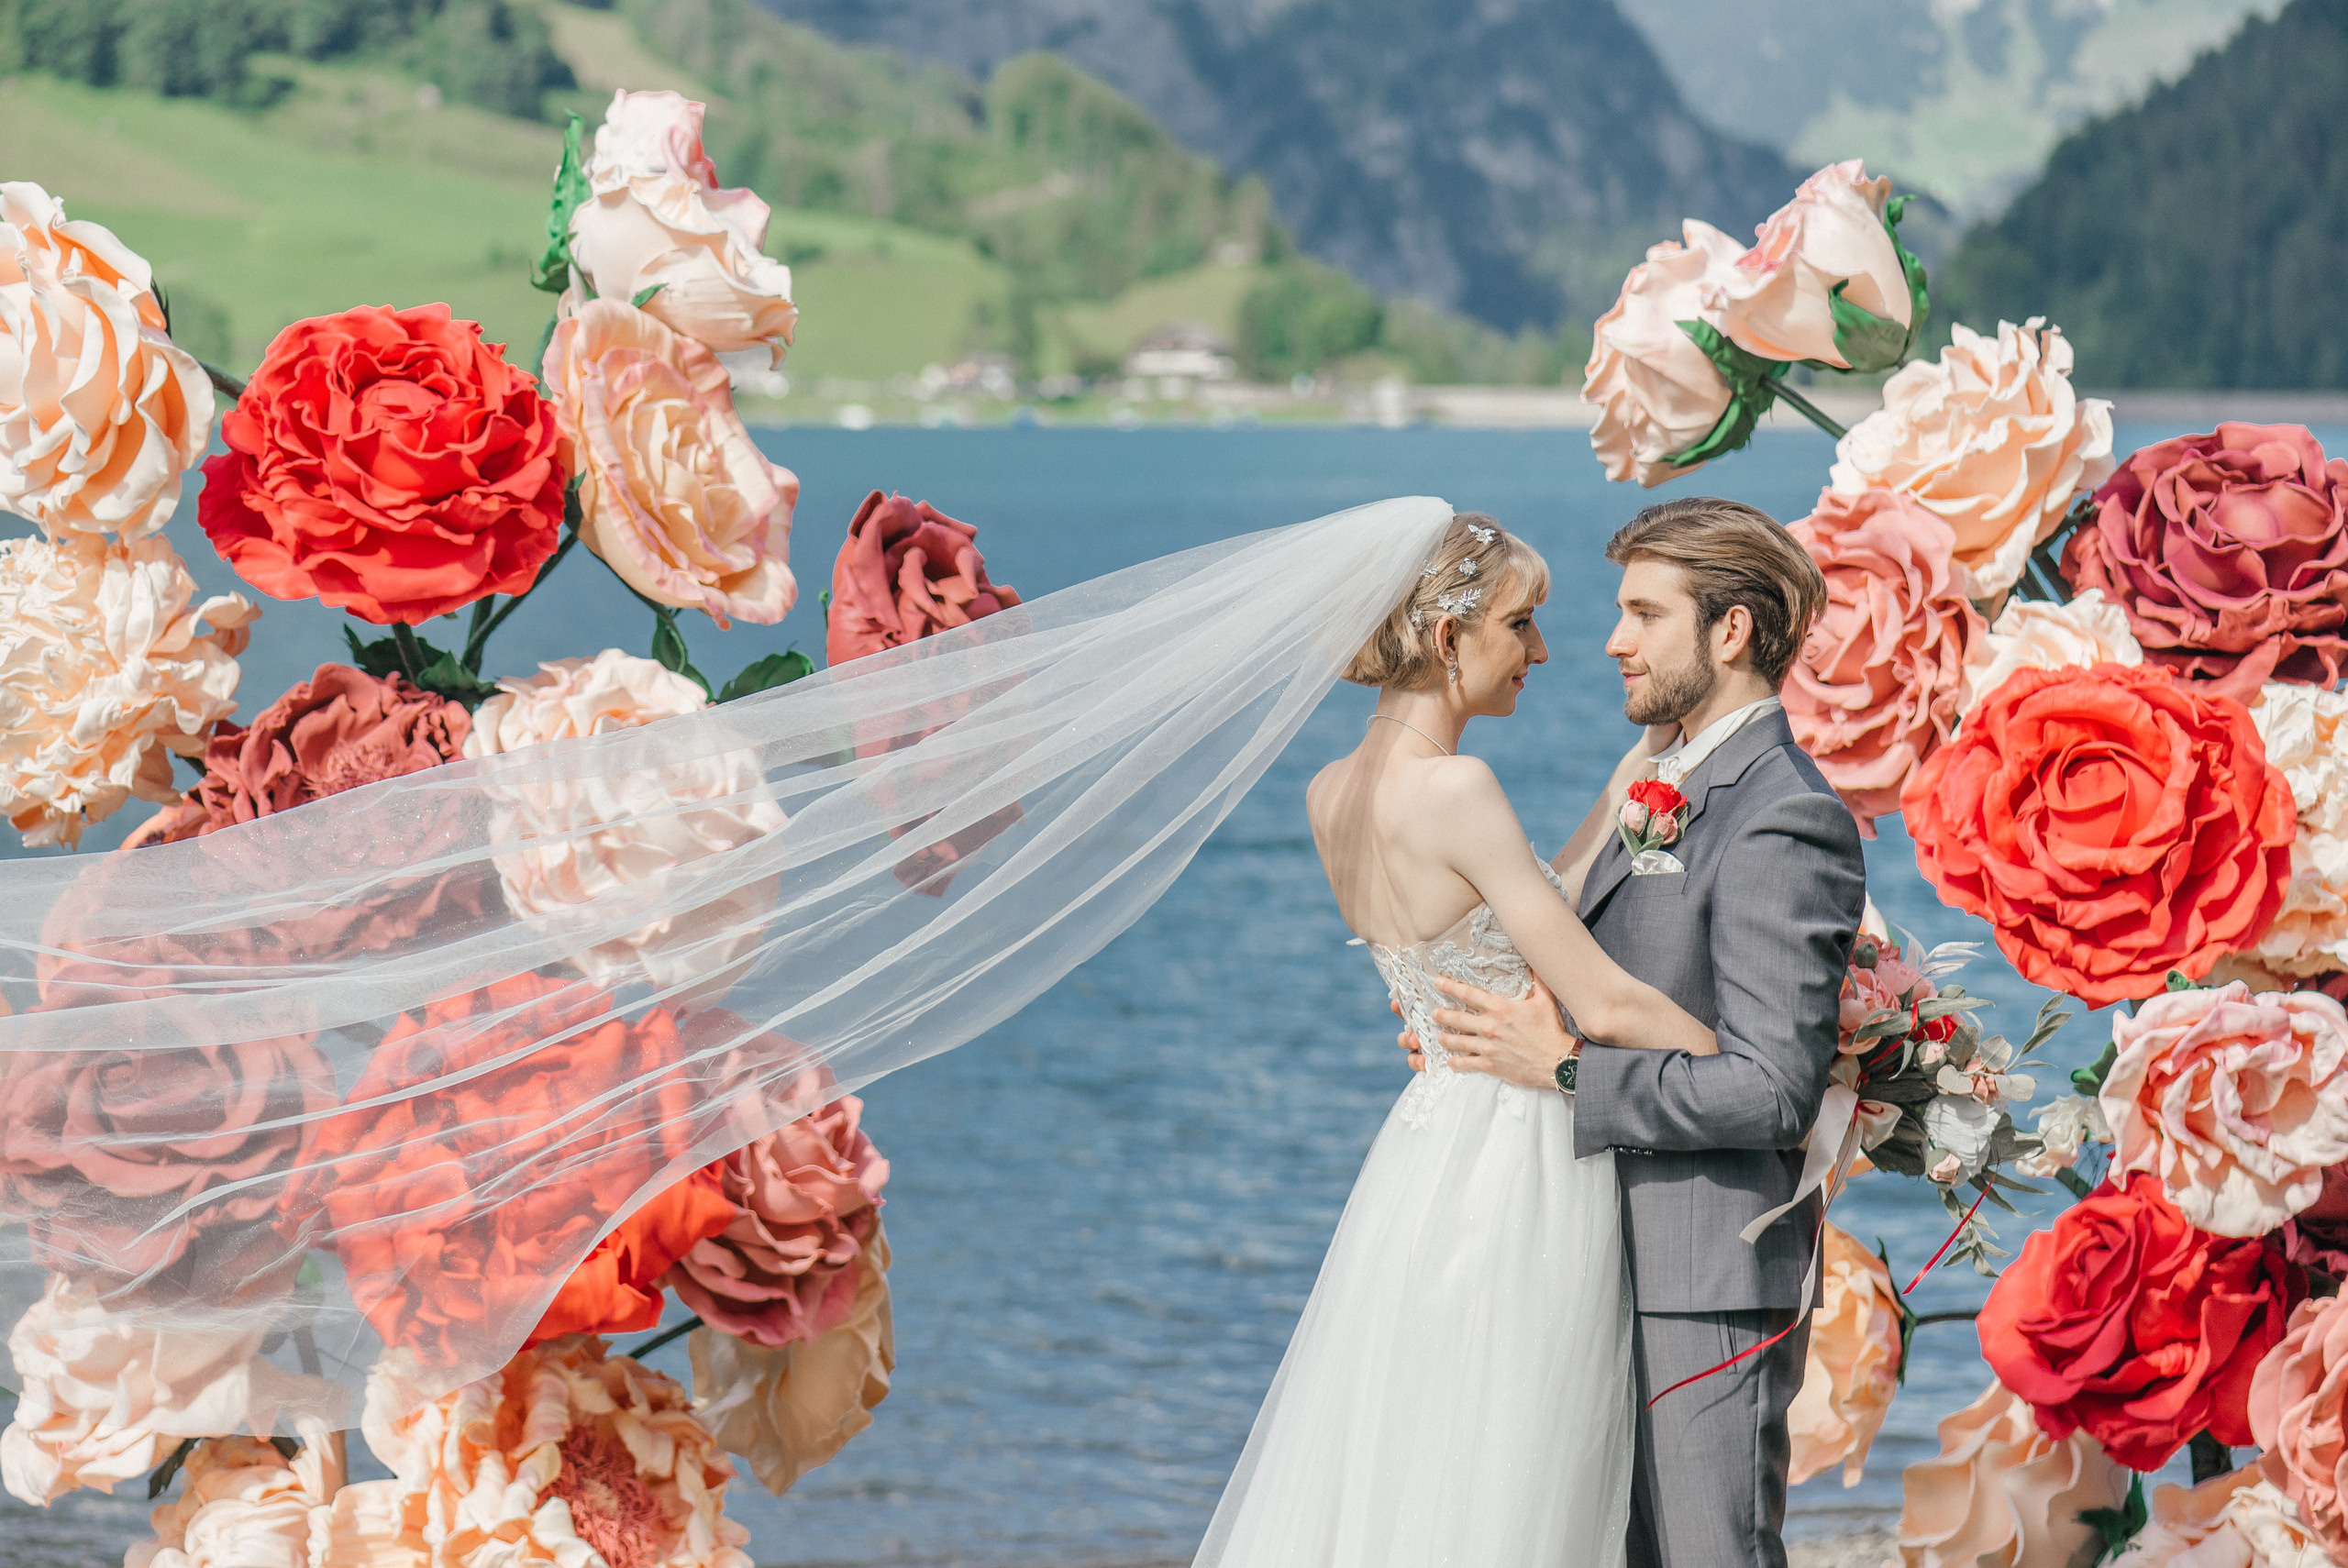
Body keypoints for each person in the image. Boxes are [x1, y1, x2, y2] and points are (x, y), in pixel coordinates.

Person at [1193, 512, 1728, 1568]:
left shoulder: (1329, 794)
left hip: (1424, 1143)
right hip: (1518, 1145)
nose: (1539, 652)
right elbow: (1602, 1001)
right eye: (1520, 626)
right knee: (1515, 1457)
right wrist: (1742, 1057)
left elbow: (1518, 908)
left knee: (1419, 1445)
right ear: (1448, 640)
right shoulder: (1458, 788)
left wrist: (1629, 778)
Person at [1405, 497, 1866, 1568]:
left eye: (1641, 613)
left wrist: (1564, 1068)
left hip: (1703, 1284)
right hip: (1603, 1264)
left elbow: (1768, 1091)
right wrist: (1481, 1034)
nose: (1610, 641)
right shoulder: (1678, 780)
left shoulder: (1779, 812)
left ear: (1730, 631)